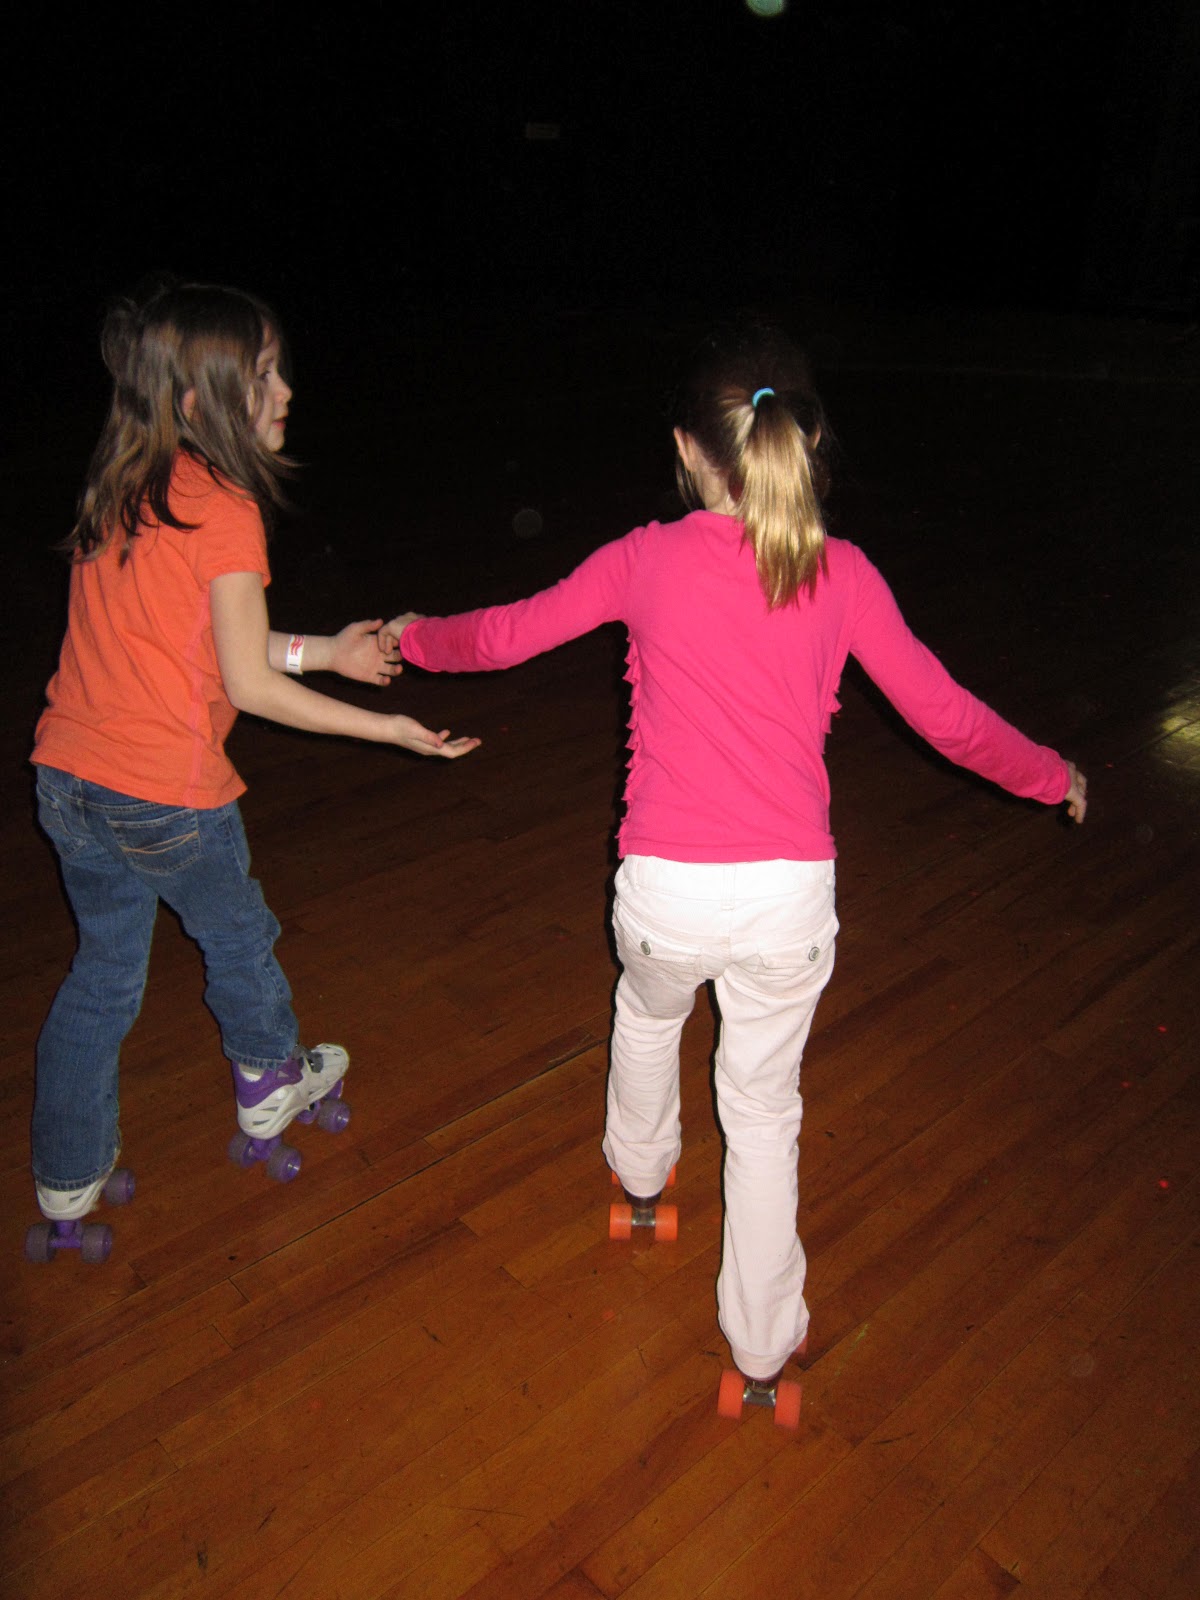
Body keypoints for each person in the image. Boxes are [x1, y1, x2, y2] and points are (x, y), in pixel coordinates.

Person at [381, 321, 1087, 1414]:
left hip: (664, 894)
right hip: (786, 906)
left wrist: (412, 635)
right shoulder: (841, 572)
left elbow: (505, 635)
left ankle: (644, 1176)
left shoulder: (642, 558)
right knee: (763, 1113)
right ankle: (760, 1352)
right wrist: (1052, 776)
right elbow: (947, 718)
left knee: (649, 1013)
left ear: (684, 449)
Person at [30, 280, 479, 1244]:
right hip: (164, 795)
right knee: (239, 937)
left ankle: (65, 1176)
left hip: (68, 784)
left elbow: (212, 645)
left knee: (102, 974)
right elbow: (251, 684)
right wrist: (389, 727)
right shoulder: (226, 507)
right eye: (263, 375)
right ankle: (272, 1078)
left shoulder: (122, 484)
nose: (285, 391)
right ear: (201, 403)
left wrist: (331, 651)